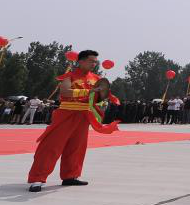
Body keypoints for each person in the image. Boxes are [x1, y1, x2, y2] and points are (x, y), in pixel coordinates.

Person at [27, 50, 120, 192]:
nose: (94, 64)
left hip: (84, 116)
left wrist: (103, 98)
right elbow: (65, 92)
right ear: (80, 61)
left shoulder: (96, 78)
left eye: (95, 62)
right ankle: (37, 179)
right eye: (91, 61)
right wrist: (88, 92)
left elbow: (100, 95)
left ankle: (70, 176)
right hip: (66, 114)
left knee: (77, 147)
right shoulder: (69, 75)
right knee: (51, 146)